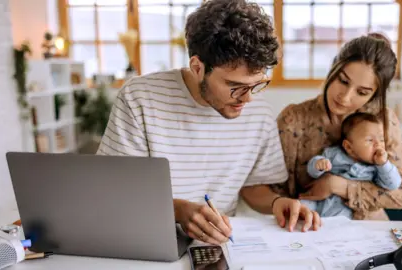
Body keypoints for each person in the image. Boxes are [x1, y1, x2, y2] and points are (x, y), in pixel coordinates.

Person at [96, 0, 321, 246]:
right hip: (148, 239)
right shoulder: (140, 97)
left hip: (218, 245)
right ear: (197, 67)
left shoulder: (259, 111)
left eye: (256, 84)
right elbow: (114, 191)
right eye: (235, 87)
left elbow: (253, 188)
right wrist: (178, 211)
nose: (247, 99)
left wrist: (277, 203)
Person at [272, 33, 402, 220]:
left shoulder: (384, 121)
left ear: (374, 94)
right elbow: (276, 191)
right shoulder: (293, 119)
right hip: (306, 225)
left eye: (362, 92)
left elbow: (399, 195)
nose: (345, 97)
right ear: (333, 68)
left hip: (368, 228)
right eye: (343, 81)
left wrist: (337, 185)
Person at [302, 112, 402, 218]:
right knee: (302, 206)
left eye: (382, 140)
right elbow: (312, 173)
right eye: (370, 140)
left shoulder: (377, 168)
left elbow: (393, 184)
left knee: (340, 222)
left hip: (345, 207)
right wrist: (318, 164)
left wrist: (383, 164)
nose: (378, 144)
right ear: (349, 147)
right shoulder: (334, 154)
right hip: (319, 201)